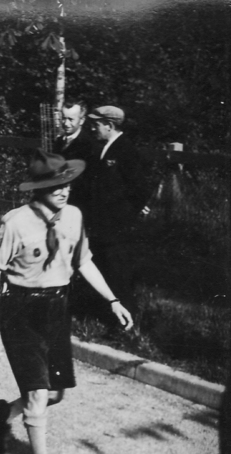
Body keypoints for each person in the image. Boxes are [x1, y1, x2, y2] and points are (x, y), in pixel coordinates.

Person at [0, 149, 133, 454]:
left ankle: (6, 413)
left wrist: (113, 300)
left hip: (57, 309)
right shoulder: (16, 223)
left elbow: (84, 262)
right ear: (38, 189)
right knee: (38, 394)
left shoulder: (74, 217)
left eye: (67, 183)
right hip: (21, 310)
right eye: (55, 186)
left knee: (54, 393)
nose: (64, 191)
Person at [83, 105, 151, 321]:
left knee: (119, 274)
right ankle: (104, 316)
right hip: (102, 225)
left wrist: (124, 215)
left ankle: (125, 323)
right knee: (104, 269)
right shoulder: (102, 149)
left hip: (118, 227)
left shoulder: (126, 150)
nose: (92, 129)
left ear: (109, 125)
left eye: (96, 125)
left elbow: (141, 189)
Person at [53, 100, 97, 210]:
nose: (66, 123)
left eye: (71, 119)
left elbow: (90, 181)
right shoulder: (59, 142)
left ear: (82, 120)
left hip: (79, 203)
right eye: (63, 118)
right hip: (57, 201)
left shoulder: (89, 145)